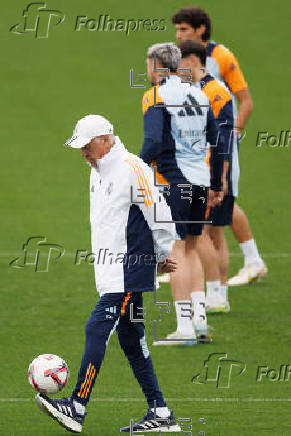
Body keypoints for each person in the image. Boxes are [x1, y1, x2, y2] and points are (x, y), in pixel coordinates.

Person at [35, 114, 181, 433]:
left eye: (87, 146)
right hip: (112, 273)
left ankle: (76, 406)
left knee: (96, 328)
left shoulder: (132, 167)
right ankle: (161, 412)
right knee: (132, 341)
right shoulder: (96, 171)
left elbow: (160, 212)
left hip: (128, 270)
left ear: (105, 139)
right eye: (81, 148)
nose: (83, 153)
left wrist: (160, 255)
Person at [172, 6, 267, 285]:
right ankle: (197, 271)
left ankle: (246, 264)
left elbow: (245, 101)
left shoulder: (221, 57)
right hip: (196, 147)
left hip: (218, 146)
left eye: (184, 30)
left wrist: (230, 137)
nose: (178, 36)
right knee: (207, 218)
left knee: (218, 206)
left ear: (201, 29)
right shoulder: (183, 61)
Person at [139, 42, 225, 345]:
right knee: (191, 248)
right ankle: (199, 321)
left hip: (175, 183)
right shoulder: (199, 95)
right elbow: (217, 144)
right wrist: (215, 184)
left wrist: (134, 169)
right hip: (200, 183)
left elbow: (152, 142)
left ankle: (184, 329)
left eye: (149, 64)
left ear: (157, 65)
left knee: (175, 251)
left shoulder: (155, 96)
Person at [179, 40, 235, 312]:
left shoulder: (215, 92)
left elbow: (222, 141)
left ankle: (214, 293)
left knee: (199, 235)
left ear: (191, 61)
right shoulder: (199, 90)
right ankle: (218, 294)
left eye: (178, 64)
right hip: (205, 173)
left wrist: (219, 180)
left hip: (209, 174)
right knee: (211, 235)